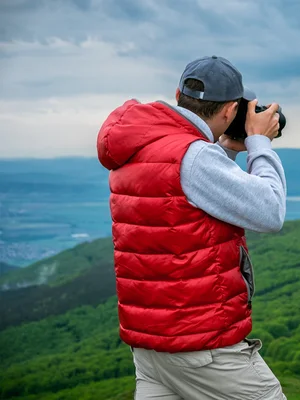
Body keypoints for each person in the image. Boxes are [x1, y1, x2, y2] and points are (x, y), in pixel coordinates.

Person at [96, 55, 287, 400]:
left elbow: (186, 201)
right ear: (230, 111)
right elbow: (269, 212)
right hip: (203, 349)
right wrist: (259, 142)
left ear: (178, 94)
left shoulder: (143, 147)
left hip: (151, 348)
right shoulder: (195, 156)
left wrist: (225, 152)